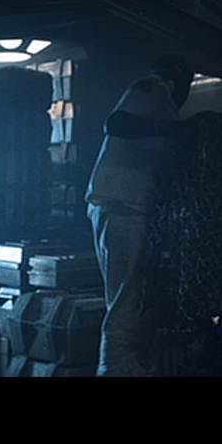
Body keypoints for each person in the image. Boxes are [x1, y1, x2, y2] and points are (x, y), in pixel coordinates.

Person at [84, 55, 194, 376]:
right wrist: (174, 129)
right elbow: (116, 123)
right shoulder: (154, 88)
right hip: (123, 207)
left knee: (127, 302)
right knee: (126, 307)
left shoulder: (161, 105)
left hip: (121, 206)